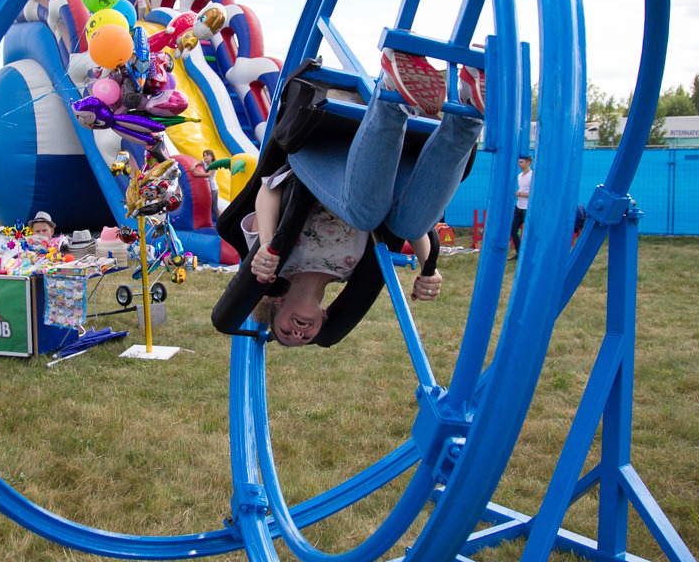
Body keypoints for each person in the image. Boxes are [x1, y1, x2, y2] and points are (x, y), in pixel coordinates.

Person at [244, 50, 484, 346]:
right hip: (374, 177)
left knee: (364, 215)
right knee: (409, 223)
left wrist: (266, 244)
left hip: (316, 160)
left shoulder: (275, 265)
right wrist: (428, 267)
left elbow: (268, 190)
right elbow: (405, 229)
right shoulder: (349, 271)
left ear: (277, 306)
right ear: (323, 317)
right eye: (305, 338)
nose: (298, 332)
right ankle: (469, 107)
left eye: (285, 333)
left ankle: (391, 94)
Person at [510, 154, 532, 260]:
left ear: (528, 163)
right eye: (518, 162)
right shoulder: (519, 176)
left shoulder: (532, 176)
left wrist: (519, 194)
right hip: (519, 207)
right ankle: (519, 252)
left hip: (528, 208)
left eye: (521, 162)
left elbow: (534, 193)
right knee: (513, 229)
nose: (519, 164)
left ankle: (528, 254)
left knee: (528, 232)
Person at [191, 149, 222, 222]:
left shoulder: (214, 165)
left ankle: (220, 221)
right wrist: (193, 165)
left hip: (213, 188)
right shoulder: (204, 162)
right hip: (206, 188)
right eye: (204, 155)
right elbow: (198, 162)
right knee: (207, 206)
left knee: (214, 208)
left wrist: (198, 175)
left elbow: (209, 174)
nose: (205, 157)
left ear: (212, 156)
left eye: (207, 155)